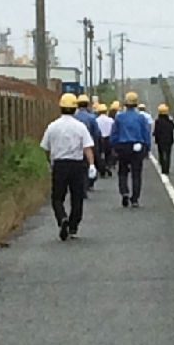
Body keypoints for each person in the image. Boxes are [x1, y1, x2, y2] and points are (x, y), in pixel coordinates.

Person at [41, 93, 96, 241]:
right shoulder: (80, 127)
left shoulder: (53, 126)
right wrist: (91, 164)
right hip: (77, 165)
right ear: (75, 108)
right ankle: (73, 226)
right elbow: (87, 148)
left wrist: (50, 162)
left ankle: (62, 218)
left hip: (59, 164)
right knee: (77, 197)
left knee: (57, 197)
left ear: (60, 108)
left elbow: (46, 147)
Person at [111, 92, 151, 208]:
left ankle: (124, 192)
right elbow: (146, 133)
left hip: (123, 146)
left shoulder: (119, 117)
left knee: (122, 171)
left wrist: (114, 146)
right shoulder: (141, 117)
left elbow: (114, 134)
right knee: (136, 173)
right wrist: (147, 147)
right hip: (137, 146)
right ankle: (135, 199)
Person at [74, 94, 101, 195]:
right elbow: (97, 133)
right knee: (87, 166)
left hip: (75, 145)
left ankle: (79, 187)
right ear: (87, 104)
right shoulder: (92, 117)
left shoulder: (74, 117)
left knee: (77, 167)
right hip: (88, 145)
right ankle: (86, 187)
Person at [153, 103, 174, 175]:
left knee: (161, 153)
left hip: (160, 140)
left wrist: (155, 137)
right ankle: (167, 169)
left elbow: (156, 131)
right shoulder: (169, 121)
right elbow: (173, 127)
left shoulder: (158, 121)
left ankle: (163, 167)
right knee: (168, 154)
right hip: (169, 140)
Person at [96, 103, 114, 177]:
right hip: (108, 138)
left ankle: (102, 168)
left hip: (100, 139)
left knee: (100, 155)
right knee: (108, 154)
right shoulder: (111, 120)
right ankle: (108, 166)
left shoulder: (96, 120)